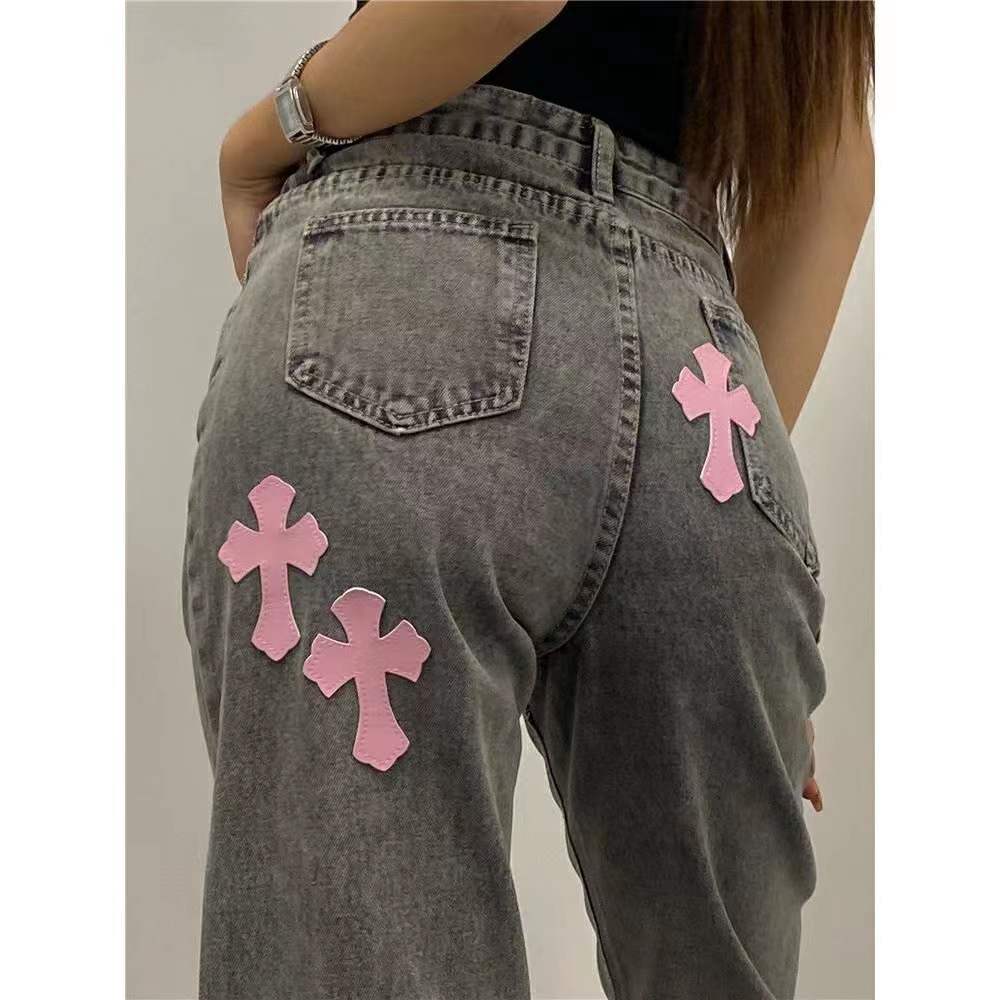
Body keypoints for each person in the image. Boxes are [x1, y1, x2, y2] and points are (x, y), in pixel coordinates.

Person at [183, 2, 874, 998]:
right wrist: (735, 514)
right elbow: (830, 172)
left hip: (401, 278)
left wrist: (267, 133)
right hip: (704, 389)